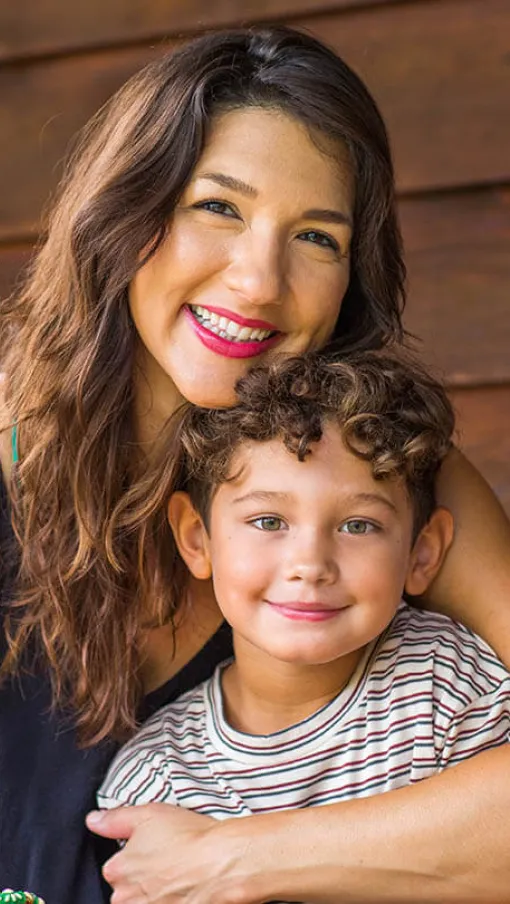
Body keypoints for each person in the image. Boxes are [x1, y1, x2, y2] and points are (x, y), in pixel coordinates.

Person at [0, 23, 509, 904]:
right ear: (126, 211)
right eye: (218, 207)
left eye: (317, 237)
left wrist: (239, 859)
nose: (258, 282)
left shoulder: (384, 473)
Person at [97, 351, 510, 836]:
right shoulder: (158, 779)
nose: (311, 565)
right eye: (268, 521)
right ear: (196, 538)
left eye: (359, 525)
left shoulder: (452, 686)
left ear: (421, 553)